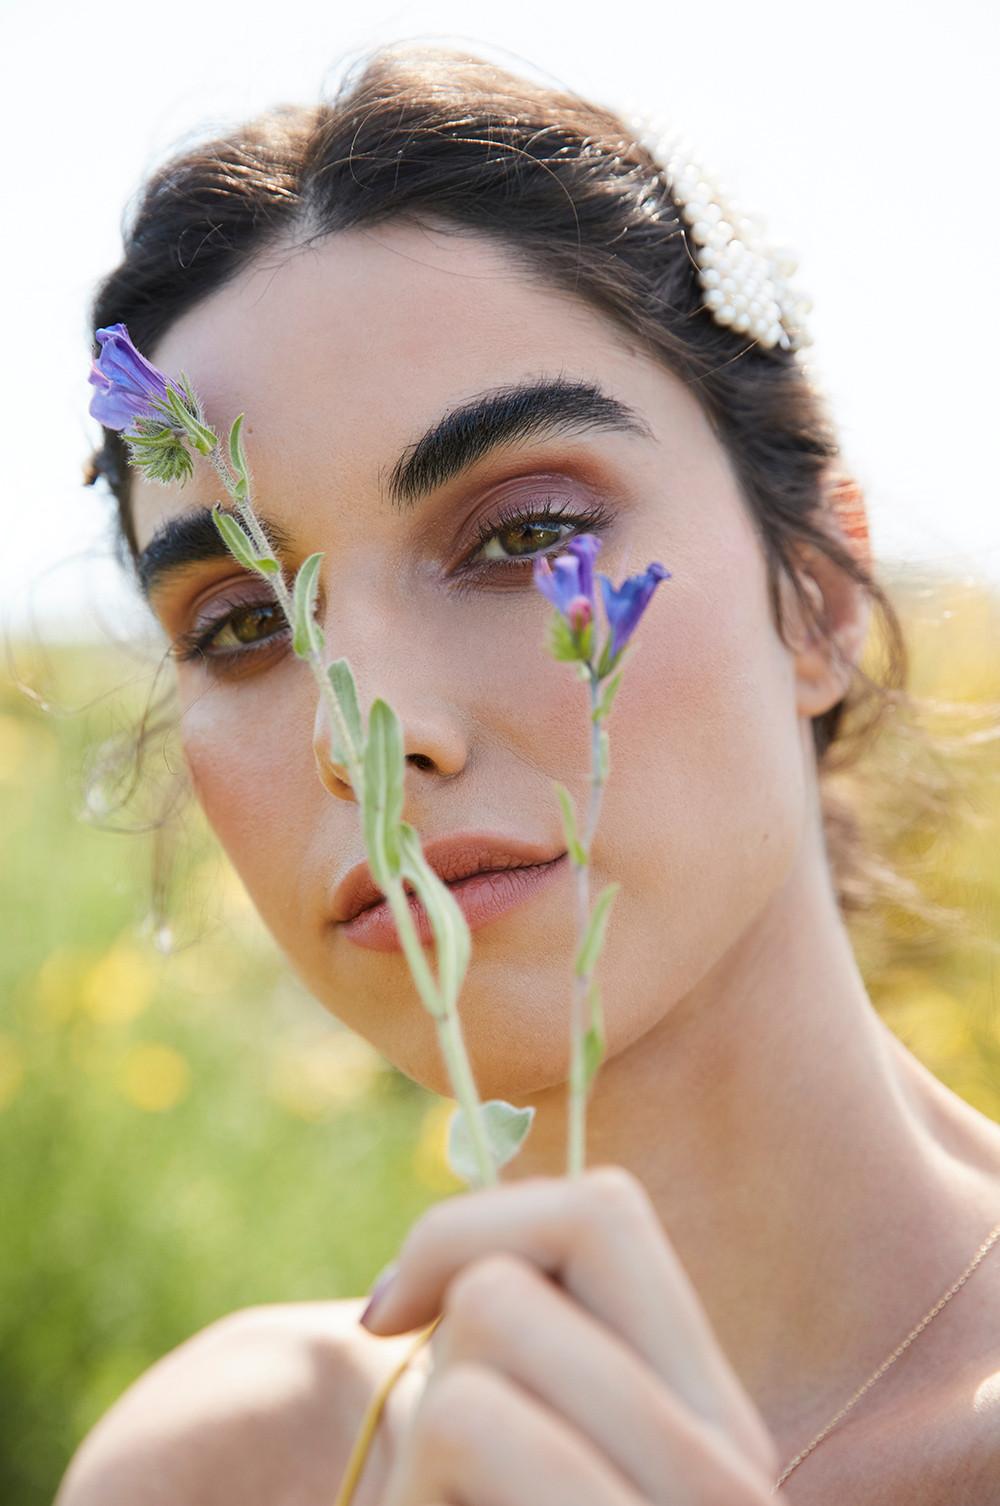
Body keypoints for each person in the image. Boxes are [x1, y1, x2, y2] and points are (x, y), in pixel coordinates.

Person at [57, 42, 1000, 1506]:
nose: (368, 729)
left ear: (812, 592)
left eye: (519, 536)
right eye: (246, 624)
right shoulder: (227, 1466)